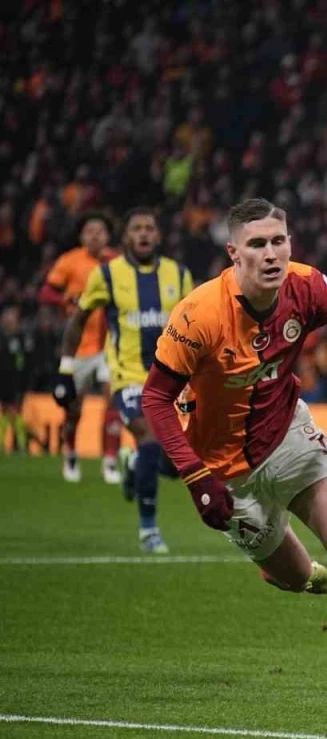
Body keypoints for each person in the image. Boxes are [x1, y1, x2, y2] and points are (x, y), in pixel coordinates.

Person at [140, 197, 327, 698]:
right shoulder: (199, 313)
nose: (271, 254)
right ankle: (294, 572)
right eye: (257, 244)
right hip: (222, 468)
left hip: (287, 434)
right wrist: (196, 477)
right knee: (294, 577)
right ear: (233, 253)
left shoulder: (307, 285)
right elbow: (155, 398)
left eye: (279, 241)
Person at [54, 208, 193, 553]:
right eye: (136, 228)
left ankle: (134, 465)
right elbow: (78, 319)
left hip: (171, 378)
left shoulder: (179, 275)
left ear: (158, 235)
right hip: (128, 376)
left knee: (175, 462)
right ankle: (149, 530)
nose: (143, 233)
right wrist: (66, 368)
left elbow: (194, 326)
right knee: (148, 436)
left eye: (149, 228)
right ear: (126, 237)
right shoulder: (107, 275)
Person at [40, 212, 123, 482]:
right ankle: (71, 454)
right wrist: (66, 299)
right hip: (80, 346)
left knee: (114, 401)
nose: (95, 236)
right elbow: (46, 292)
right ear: (81, 236)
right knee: (74, 407)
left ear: (108, 236)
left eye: (100, 231)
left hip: (112, 345)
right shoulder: (70, 261)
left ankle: (110, 461)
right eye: (90, 231)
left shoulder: (119, 262)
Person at [0, 305, 33, 453]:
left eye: (12, 316)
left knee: (15, 411)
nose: (9, 319)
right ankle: (6, 444)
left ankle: (21, 444)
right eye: (8, 316)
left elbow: (23, 362)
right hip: (3, 379)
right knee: (6, 411)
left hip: (16, 381)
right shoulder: (2, 337)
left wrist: (23, 380)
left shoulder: (21, 338)